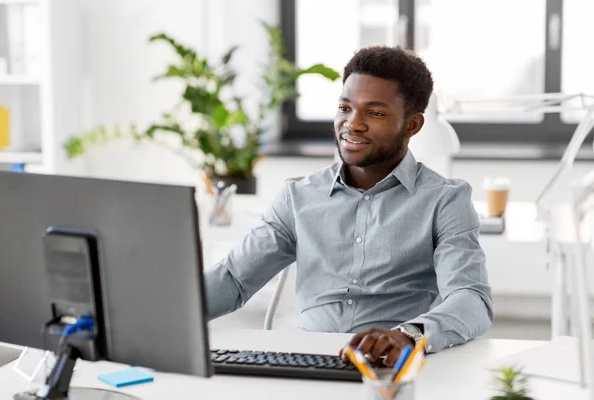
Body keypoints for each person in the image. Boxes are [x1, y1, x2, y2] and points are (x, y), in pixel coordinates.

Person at [204, 45, 493, 366]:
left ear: (412, 125)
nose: (352, 124)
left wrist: (410, 334)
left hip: (388, 366)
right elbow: (232, 281)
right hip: (304, 362)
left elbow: (471, 299)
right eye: (345, 108)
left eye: (375, 113)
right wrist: (160, 308)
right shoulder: (298, 196)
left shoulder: (444, 199)